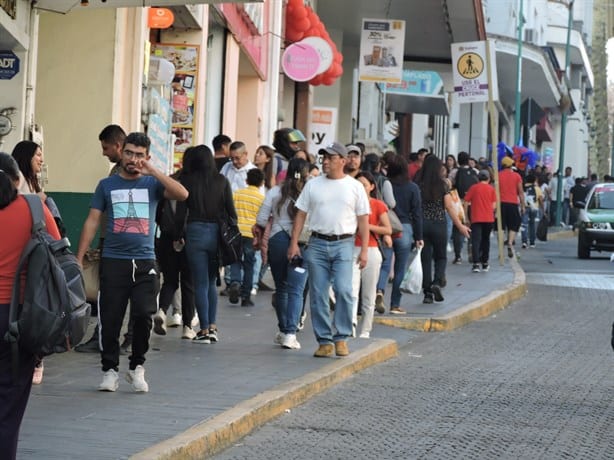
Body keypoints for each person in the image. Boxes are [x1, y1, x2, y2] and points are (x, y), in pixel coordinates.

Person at [76, 132, 188, 393]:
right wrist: (79, 256)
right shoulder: (106, 185)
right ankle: (110, 370)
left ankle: (137, 367)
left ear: (146, 157)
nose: (133, 159)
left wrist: (152, 170)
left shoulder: (152, 184)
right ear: (121, 152)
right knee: (110, 319)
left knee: (143, 316)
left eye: (139, 155)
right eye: (129, 153)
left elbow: (182, 194)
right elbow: (92, 220)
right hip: (114, 261)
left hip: (145, 261)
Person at [0, 152, 60, 459]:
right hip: (18, 318)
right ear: (16, 179)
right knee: (8, 409)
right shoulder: (33, 208)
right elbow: (57, 252)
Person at [288, 141, 370, 358]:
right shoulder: (313, 185)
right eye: (324, 157)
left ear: (342, 161)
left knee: (344, 290)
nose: (325, 161)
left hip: (344, 243)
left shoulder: (355, 187)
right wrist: (294, 242)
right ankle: (324, 340)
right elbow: (301, 215)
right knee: (318, 293)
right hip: (316, 244)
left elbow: (363, 219)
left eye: (330, 158)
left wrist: (364, 250)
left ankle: (341, 336)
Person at [75, 124, 129, 354]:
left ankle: (103, 338)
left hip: (116, 242)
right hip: (119, 241)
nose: (103, 152)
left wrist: (81, 254)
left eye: (106, 148)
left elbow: (96, 217)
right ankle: (117, 338)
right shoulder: (119, 171)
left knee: (109, 293)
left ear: (118, 145)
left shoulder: (120, 174)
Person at [177, 145, 236, 344]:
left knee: (200, 282)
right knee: (211, 281)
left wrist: (178, 235)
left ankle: (202, 329)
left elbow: (180, 213)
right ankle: (212, 326)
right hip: (216, 235)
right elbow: (231, 212)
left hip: (194, 233)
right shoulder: (222, 181)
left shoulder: (186, 181)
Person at [256, 158, 311, 350]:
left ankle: (283, 330)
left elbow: (262, 219)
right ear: (306, 173)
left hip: (277, 241)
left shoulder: (275, 191)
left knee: (281, 288)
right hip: (303, 243)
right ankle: (290, 333)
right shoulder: (310, 191)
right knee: (296, 289)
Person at [11, 141, 47, 384]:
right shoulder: (20, 184)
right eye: (38, 154)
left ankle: (35, 358)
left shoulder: (32, 182)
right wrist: (39, 199)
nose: (41, 159)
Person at [414, 155, 470, 304]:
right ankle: (437, 283)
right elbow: (450, 207)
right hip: (439, 224)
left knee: (425, 259)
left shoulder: (418, 184)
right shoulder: (443, 185)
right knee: (441, 257)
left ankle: (427, 293)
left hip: (423, 225)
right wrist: (461, 226)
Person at [375, 154, 423, 314]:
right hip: (405, 229)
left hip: (386, 227)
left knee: (384, 263)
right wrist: (419, 237)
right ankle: (395, 304)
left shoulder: (384, 185)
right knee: (400, 268)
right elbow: (417, 214)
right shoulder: (413, 188)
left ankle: (379, 290)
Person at [152, 172, 197, 340]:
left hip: (166, 240)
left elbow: (157, 217)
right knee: (188, 284)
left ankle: (162, 312)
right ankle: (187, 327)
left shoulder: (164, 194)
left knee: (170, 281)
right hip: (187, 241)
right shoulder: (188, 193)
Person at [352, 172, 392, 338]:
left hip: (372, 250)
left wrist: (367, 227)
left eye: (364, 184)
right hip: (352, 249)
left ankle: (366, 330)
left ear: (371, 187)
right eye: (358, 184)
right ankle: (351, 323)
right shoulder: (350, 204)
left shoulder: (378, 205)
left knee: (368, 294)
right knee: (351, 291)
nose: (361, 187)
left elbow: (388, 229)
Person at [229, 168, 265, 307]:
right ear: (262, 183)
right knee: (249, 264)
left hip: (236, 232)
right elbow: (262, 219)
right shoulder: (261, 199)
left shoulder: (237, 194)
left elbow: (230, 211)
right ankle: (246, 296)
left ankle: (235, 282)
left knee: (235, 260)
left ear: (246, 180)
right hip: (252, 235)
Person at [463, 170, 496, 272]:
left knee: (476, 241)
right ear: (488, 179)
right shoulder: (491, 189)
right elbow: (494, 206)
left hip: (476, 218)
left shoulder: (473, 188)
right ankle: (485, 263)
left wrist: (466, 217)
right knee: (486, 240)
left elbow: (466, 202)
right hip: (488, 218)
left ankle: (476, 264)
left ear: (478, 178)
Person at [499, 156, 525, 257]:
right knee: (514, 224)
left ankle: (501, 248)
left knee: (500, 226)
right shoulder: (517, 176)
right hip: (513, 203)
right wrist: (523, 206)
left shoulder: (498, 175)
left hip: (501, 203)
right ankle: (510, 242)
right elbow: (521, 192)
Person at [521, 172, 544, 248]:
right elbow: (540, 200)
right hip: (534, 208)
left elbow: (520, 197)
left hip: (525, 207)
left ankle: (524, 242)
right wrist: (543, 209)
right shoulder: (537, 188)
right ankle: (532, 242)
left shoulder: (523, 187)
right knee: (532, 225)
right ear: (534, 180)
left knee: (524, 224)